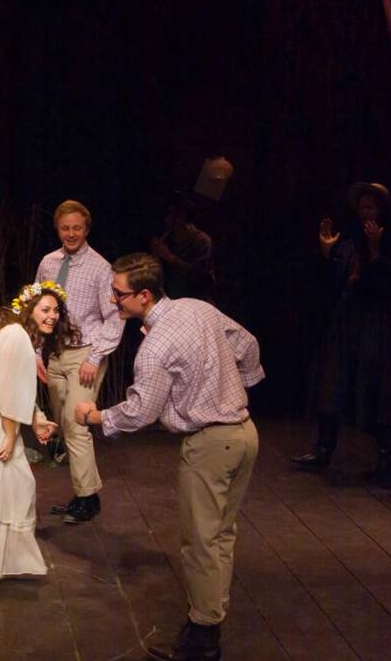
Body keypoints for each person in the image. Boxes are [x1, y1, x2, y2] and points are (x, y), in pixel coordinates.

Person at [72, 252, 263, 661]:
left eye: (118, 294)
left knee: (200, 544)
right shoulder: (197, 307)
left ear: (143, 295)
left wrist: (96, 417)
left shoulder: (155, 346)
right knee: (220, 537)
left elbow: (141, 411)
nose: (112, 300)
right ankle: (207, 623)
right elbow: (248, 345)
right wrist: (236, 389)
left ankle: (204, 638)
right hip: (245, 435)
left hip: (211, 444)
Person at [0, 281, 74, 581]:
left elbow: (14, 386)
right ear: (29, 309)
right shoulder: (17, 336)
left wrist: (35, 418)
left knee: (6, 485)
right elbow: (6, 391)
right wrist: (10, 435)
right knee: (0, 484)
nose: (52, 316)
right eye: (45, 309)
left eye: (56, 310)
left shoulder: (14, 332)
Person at [292, 182, 391, 486]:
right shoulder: (350, 243)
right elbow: (333, 284)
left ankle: (387, 457)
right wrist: (328, 254)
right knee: (331, 382)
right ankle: (323, 448)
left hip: (374, 327)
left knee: (373, 389)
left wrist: (377, 252)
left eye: (372, 207)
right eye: (363, 207)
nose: (366, 213)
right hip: (345, 323)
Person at [35, 199, 124, 523]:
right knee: (62, 425)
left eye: (76, 228)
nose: (70, 234)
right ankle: (85, 492)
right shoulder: (48, 263)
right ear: (58, 229)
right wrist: (35, 352)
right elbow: (37, 308)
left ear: (86, 229)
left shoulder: (101, 268)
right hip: (55, 353)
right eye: (65, 228)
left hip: (85, 353)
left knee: (75, 423)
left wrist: (95, 357)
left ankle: (87, 498)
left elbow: (114, 318)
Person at [150, 192, 217, 302]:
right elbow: (157, 274)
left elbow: (199, 277)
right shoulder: (168, 238)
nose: (168, 220)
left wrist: (170, 258)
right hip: (171, 298)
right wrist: (155, 255)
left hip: (195, 301)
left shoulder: (202, 241)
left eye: (173, 215)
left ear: (182, 217)